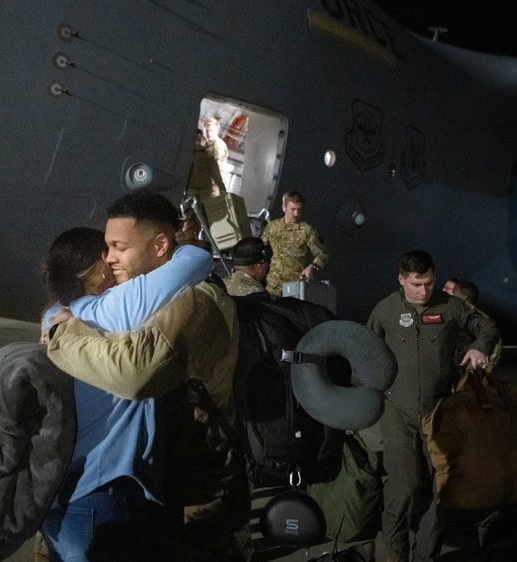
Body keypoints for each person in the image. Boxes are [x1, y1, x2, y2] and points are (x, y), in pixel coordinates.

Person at [45, 192, 248, 561]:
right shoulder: (149, 299)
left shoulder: (195, 299)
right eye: (106, 247)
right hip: (154, 492)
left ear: (159, 245)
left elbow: (135, 373)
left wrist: (65, 335)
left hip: (193, 503)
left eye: (118, 246)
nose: (108, 258)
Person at [367, 251, 499, 562]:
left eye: (429, 283)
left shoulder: (450, 306)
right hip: (396, 412)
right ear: (402, 280)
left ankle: (425, 555)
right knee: (406, 488)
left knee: (442, 490)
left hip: (438, 411)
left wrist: (480, 347)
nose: (424, 291)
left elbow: (487, 327)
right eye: (416, 284)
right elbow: (365, 353)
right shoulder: (385, 310)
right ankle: (395, 557)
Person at [261, 191, 329, 297]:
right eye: (292, 209)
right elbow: (261, 250)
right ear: (284, 207)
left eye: (299, 210)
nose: (296, 214)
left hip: (295, 287)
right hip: (273, 286)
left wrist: (312, 266)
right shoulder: (272, 228)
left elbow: (322, 253)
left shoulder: (307, 230)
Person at [451, 280, 503, 373]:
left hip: (470, 371)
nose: (452, 297)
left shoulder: (480, 321)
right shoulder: (458, 316)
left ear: (464, 297)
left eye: (454, 294)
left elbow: (495, 347)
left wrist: (486, 368)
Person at [185, 118, 229, 202]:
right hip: (204, 185)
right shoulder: (205, 145)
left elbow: (216, 169)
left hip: (212, 186)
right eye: (207, 131)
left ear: (217, 130)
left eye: (211, 131)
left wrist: (220, 188)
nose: (209, 133)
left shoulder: (217, 146)